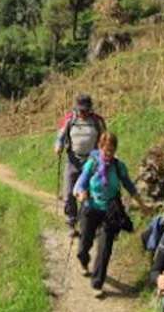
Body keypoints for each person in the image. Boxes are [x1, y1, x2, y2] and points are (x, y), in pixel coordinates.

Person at [73, 132, 145, 299]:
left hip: (110, 211)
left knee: (105, 249)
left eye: (112, 151)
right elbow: (80, 183)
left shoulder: (118, 166)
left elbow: (130, 186)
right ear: (100, 147)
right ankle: (83, 260)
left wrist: (142, 204)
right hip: (90, 208)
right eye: (106, 151)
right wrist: (81, 194)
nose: (109, 155)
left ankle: (97, 283)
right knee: (84, 244)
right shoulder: (92, 163)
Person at [55, 94, 106, 237]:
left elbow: (105, 139)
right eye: (80, 110)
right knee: (69, 193)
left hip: (91, 162)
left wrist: (105, 157)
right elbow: (60, 136)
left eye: (85, 110)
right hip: (73, 161)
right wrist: (58, 146)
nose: (83, 113)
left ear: (90, 109)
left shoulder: (97, 121)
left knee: (90, 193)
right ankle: (71, 223)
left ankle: (88, 224)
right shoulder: (70, 119)